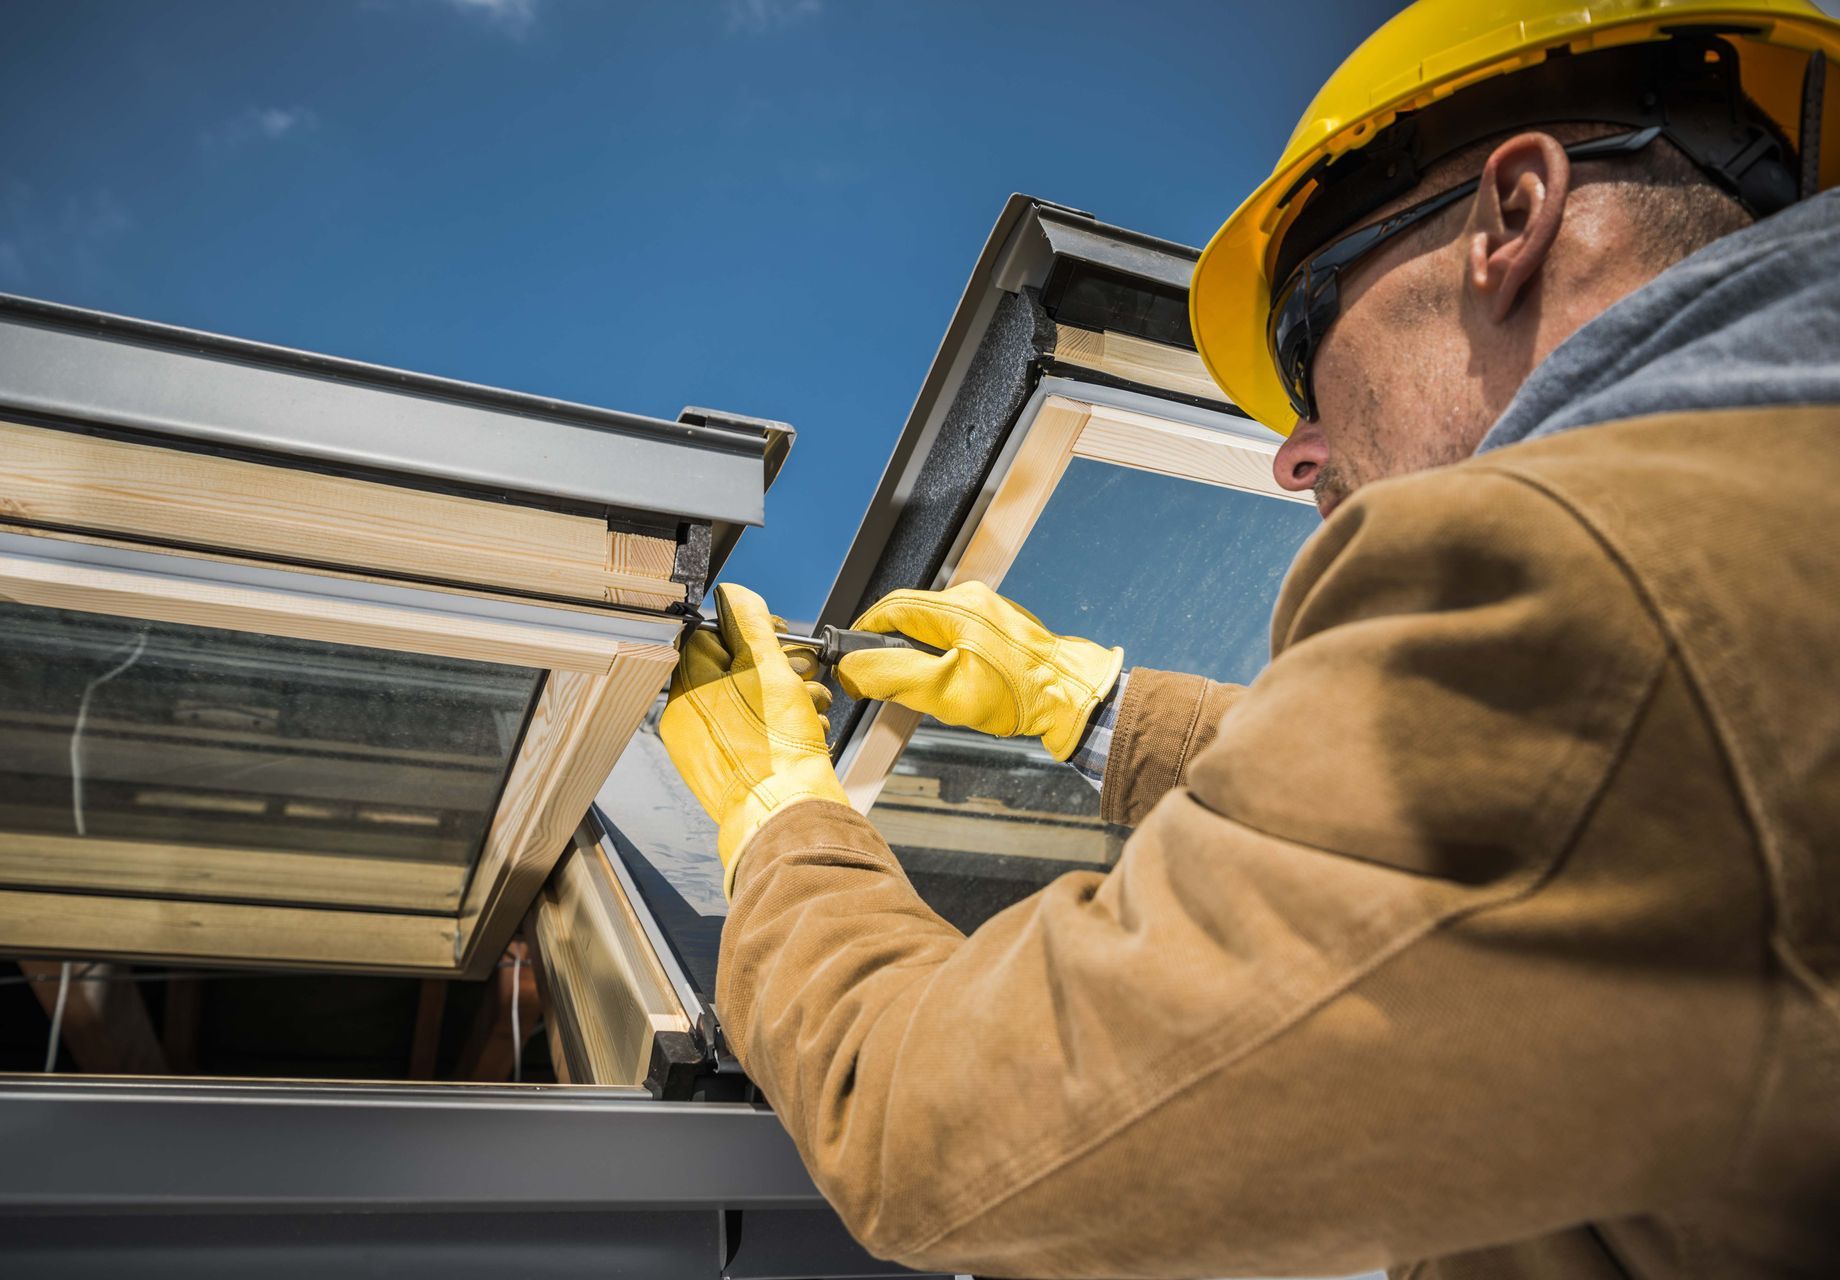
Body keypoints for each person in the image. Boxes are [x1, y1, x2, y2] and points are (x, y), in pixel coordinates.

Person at [660, 2, 1840, 1275]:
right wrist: (1087, 704)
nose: (1293, 455)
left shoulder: (1610, 589)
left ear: (1513, 216)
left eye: (1304, 335)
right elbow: (1505, 821)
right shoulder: (1756, 534)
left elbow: (942, 1131)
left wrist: (785, 820)